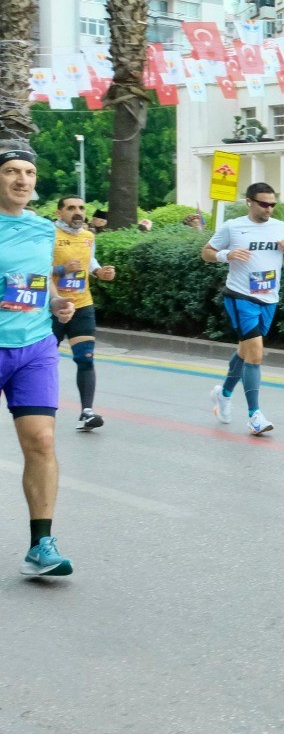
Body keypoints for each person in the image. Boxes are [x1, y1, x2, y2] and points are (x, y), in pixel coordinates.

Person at [0, 142, 80, 576]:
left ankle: (41, 544)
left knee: (43, 441)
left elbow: (38, 283)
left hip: (34, 347)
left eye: (28, 173)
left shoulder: (42, 229)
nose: (21, 180)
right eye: (12, 171)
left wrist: (55, 304)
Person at [202, 183, 284, 436]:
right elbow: (206, 252)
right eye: (264, 204)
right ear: (249, 202)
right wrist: (227, 255)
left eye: (272, 204)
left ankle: (223, 394)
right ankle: (255, 415)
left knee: (245, 351)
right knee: (255, 354)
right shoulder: (233, 227)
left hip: (269, 298)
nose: (269, 209)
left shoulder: (280, 227)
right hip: (240, 296)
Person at [52, 196, 116, 431]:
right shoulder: (48, 235)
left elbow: (90, 262)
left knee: (85, 358)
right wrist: (61, 269)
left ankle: (87, 412)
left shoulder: (88, 236)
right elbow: (34, 267)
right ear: (59, 213)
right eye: (71, 208)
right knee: (45, 361)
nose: (78, 212)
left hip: (81, 305)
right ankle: (42, 410)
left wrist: (100, 272)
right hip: (52, 307)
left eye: (81, 208)